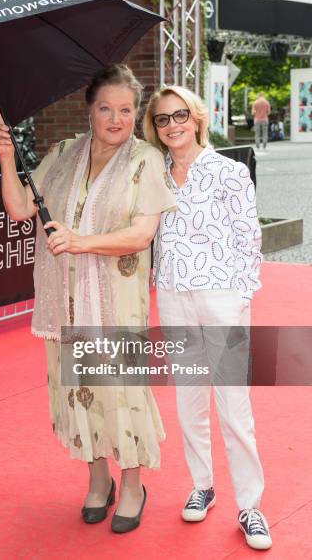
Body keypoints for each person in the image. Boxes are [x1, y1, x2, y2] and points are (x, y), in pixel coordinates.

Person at [0, 64, 176, 534]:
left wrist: (80, 242)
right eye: (105, 109)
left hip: (115, 301)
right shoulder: (63, 152)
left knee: (121, 394)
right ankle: (98, 479)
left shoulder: (145, 160)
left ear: (136, 114)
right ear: (89, 110)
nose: (116, 119)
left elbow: (140, 234)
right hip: (63, 301)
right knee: (76, 394)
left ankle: (132, 484)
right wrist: (6, 157)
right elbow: (19, 208)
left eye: (126, 110)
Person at [143, 85, 272, 551]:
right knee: (188, 402)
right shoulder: (152, 173)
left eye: (180, 115)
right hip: (174, 297)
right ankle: (203, 485)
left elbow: (249, 239)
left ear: (196, 118)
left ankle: (250, 507)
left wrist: (240, 296)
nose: (172, 125)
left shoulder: (229, 171)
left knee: (234, 407)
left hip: (221, 299)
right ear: (154, 128)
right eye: (162, 119)